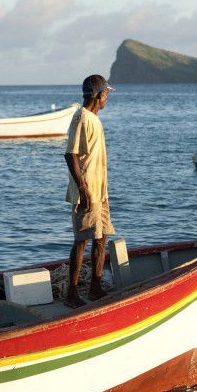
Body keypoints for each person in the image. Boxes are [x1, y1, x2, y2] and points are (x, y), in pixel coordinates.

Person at [64, 74, 115, 308]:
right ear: (99, 94)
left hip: (100, 190)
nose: (107, 99)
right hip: (88, 191)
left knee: (101, 236)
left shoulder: (94, 118)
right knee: (82, 241)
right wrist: (83, 189)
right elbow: (71, 155)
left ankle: (96, 287)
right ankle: (71, 293)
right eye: (106, 94)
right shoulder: (82, 118)